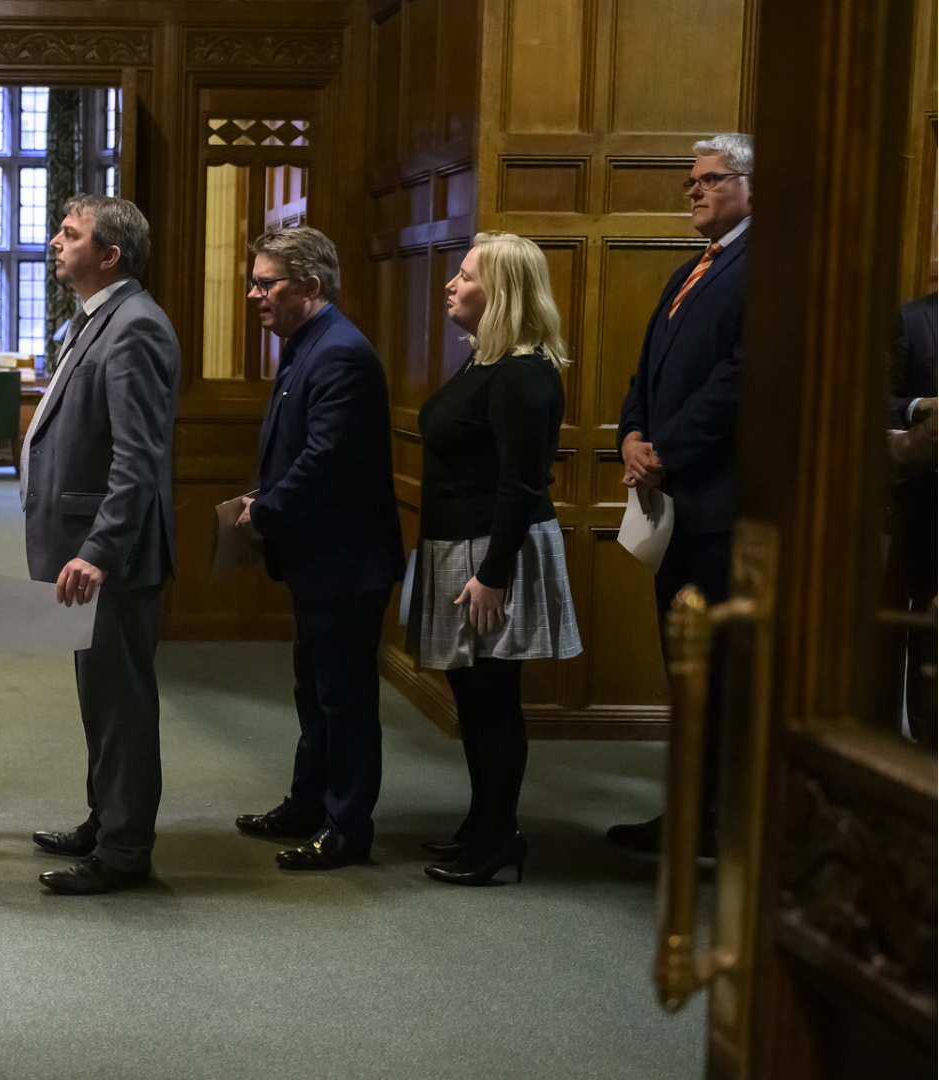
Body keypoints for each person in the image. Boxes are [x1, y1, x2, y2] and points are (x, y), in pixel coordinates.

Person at [407, 231, 582, 886]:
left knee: (494, 701)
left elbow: (521, 484)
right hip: (463, 546)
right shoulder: (485, 361)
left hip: (492, 554)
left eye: (466, 276)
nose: (451, 285)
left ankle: (498, 837)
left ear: (502, 292)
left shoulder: (521, 374)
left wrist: (492, 575)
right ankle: (481, 825)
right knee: (473, 702)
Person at [230, 227, 404, 871]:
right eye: (254, 281)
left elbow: (324, 459)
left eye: (266, 282)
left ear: (311, 285)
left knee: (345, 698)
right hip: (319, 557)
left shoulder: (339, 354)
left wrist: (265, 512)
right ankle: (309, 803)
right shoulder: (306, 344)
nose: (255, 294)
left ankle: (347, 826)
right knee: (315, 691)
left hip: (345, 561)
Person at [21, 195, 180, 895]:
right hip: (85, 553)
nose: (56, 242)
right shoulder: (98, 319)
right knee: (99, 697)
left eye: (70, 234)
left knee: (121, 704)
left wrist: (99, 550)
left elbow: (137, 460)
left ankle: (123, 852)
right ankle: (104, 819)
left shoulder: (135, 327)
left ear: (110, 255)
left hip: (109, 558)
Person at [611, 133, 754, 854]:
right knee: (686, 671)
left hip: (718, 507)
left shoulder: (762, 269)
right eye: (689, 183)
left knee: (721, 678)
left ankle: (721, 824)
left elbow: (739, 379)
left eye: (709, 180)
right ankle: (690, 815)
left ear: (751, 185)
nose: (693, 191)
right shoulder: (688, 273)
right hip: (672, 504)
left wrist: (667, 451)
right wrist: (631, 436)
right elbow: (646, 372)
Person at [887, 290, 937, 744]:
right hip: (928, 501)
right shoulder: (912, 318)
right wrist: (920, 406)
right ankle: (926, 745)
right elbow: (880, 401)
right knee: (926, 622)